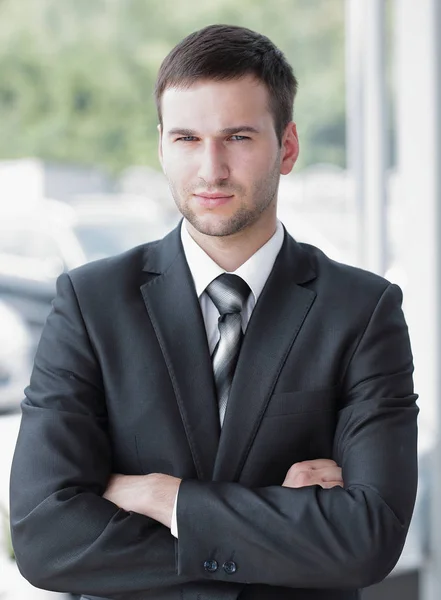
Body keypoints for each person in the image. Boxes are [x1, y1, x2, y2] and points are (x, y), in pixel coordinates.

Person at [10, 24, 418, 600]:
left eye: (238, 137)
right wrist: (282, 530)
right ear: (160, 146)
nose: (210, 169)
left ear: (289, 146)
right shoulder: (90, 303)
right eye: (186, 139)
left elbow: (368, 538)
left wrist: (163, 498)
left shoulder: (362, 310)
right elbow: (45, 539)